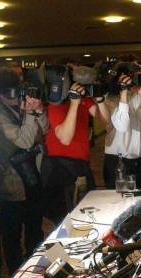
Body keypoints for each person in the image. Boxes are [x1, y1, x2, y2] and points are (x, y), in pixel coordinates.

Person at [0, 67, 46, 274]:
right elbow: (24, 140)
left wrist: (38, 111)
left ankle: (36, 272)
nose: (15, 97)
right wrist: (29, 115)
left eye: (16, 91)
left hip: (33, 177)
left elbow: (44, 129)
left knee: (35, 231)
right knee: (12, 237)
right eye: (9, 93)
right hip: (11, 182)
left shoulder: (21, 105)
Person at [42, 73, 110, 224]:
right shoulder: (55, 103)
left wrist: (99, 100)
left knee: (85, 214)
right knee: (64, 221)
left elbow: (107, 122)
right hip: (59, 167)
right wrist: (74, 103)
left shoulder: (85, 100)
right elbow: (65, 138)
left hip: (80, 165)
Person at [103, 60, 141, 189]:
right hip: (118, 161)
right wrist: (123, 92)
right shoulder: (109, 97)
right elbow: (122, 126)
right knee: (117, 204)